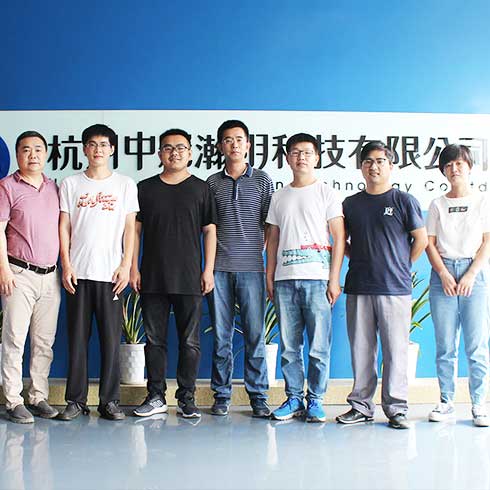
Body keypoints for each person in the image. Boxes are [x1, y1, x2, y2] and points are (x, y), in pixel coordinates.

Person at [336, 140, 427, 429]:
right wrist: (357, 256)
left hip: (394, 288)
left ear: (391, 165)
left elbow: (421, 239)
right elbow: (341, 241)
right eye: (367, 161)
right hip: (359, 285)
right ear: (361, 167)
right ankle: (361, 406)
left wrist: (401, 264)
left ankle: (396, 408)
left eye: (380, 161)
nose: (373, 166)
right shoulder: (351, 204)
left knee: (396, 350)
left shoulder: (403, 200)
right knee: (361, 350)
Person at [131, 128, 217, 419]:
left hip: (190, 277)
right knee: (154, 341)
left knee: (190, 342)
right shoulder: (145, 188)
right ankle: (156, 396)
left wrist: (208, 270)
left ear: (190, 153)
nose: (174, 152)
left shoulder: (201, 189)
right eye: (168, 148)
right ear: (160, 154)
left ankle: (186, 397)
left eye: (181, 147)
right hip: (152, 276)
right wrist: (133, 267)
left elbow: (210, 231)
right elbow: (135, 231)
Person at [58, 124, 138, 421]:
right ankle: (75, 401)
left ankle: (110, 402)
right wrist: (66, 264)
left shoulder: (125, 185)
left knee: (110, 342)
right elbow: (64, 227)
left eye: (104, 144)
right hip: (78, 274)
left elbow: (130, 229)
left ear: (112, 149)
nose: (98, 150)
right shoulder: (71, 184)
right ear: (84, 149)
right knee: (77, 341)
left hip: (111, 275)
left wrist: (126, 265)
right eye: (92, 144)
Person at [266, 133, 345, 422]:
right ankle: (294, 399)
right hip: (284, 280)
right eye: (296, 152)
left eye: (307, 152)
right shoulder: (278, 196)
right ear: (288, 158)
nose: (301, 157)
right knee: (289, 346)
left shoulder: (327, 193)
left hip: (318, 280)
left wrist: (334, 279)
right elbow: (273, 239)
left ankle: (316, 400)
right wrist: (269, 275)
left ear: (317, 158)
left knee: (319, 346)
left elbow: (339, 237)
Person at [207, 120, 273, 417]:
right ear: (220, 146)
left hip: (253, 269)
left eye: (239, 139)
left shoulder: (262, 180)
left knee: (254, 335)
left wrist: (260, 250)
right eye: (228, 140)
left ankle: (258, 396)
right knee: (221, 336)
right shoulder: (212, 183)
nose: (234, 145)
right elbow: (209, 227)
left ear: (248, 144)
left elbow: (270, 224)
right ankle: (221, 395)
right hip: (219, 269)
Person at [425, 144, 490, 427]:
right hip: (443, 276)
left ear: (469, 167)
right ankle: (446, 402)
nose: (454, 169)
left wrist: (471, 274)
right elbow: (429, 243)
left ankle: (479, 404)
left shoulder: (483, 201)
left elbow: (487, 241)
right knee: (445, 345)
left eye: (459, 164)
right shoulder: (437, 204)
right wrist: (443, 273)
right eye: (448, 165)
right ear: (443, 170)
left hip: (474, 274)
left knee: (476, 345)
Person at [0, 131, 60, 423]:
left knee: (44, 341)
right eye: (26, 149)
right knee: (14, 339)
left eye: (38, 149)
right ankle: (13, 400)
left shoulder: (54, 187)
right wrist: (3, 270)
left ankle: (38, 396)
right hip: (18, 274)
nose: (32, 155)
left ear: (46, 153)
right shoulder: (7, 187)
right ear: (18, 155)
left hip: (51, 276)